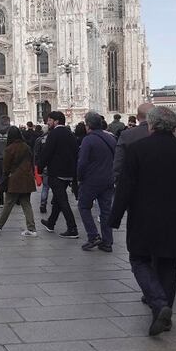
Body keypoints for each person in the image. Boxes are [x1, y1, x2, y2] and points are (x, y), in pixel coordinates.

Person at [111, 107, 176, 336]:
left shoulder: (137, 150)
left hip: (143, 217)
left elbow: (125, 187)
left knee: (139, 260)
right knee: (168, 265)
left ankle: (160, 304)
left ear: (151, 125)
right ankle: (164, 315)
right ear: (173, 127)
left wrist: (114, 217)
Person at [0, 126, 38, 237]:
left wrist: (5, 177)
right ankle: (32, 229)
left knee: (8, 203)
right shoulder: (26, 147)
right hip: (27, 178)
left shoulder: (9, 149)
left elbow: (6, 168)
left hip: (15, 180)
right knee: (26, 203)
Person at [77, 111, 117, 252]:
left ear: (88, 126)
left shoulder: (88, 140)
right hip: (108, 180)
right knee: (106, 211)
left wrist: (80, 177)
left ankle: (93, 236)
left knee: (83, 206)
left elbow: (82, 162)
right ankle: (107, 242)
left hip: (91, 181)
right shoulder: (111, 138)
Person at [38, 110, 79, 237]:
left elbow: (47, 152)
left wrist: (39, 167)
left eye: (49, 120)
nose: (48, 122)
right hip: (69, 172)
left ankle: (72, 228)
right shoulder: (70, 133)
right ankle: (51, 223)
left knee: (62, 200)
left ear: (56, 121)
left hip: (57, 172)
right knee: (57, 199)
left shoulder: (54, 133)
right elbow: (76, 152)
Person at [113, 102, 152, 180]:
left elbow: (118, 163)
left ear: (137, 117)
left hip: (133, 183)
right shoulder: (165, 134)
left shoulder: (126, 135)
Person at [34, 125, 50, 214]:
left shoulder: (39, 140)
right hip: (52, 165)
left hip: (43, 166)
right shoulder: (52, 138)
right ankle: (56, 202)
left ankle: (43, 204)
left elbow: (36, 154)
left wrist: (36, 166)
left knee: (45, 187)